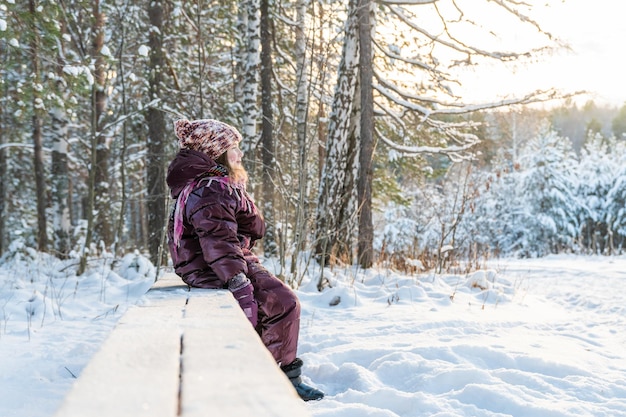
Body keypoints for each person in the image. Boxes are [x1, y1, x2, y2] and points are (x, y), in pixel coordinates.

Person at [166, 118, 324, 402]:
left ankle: (271, 374)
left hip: (216, 263)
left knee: (278, 303)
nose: (239, 154)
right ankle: (273, 380)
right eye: (234, 149)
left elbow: (239, 232)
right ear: (216, 153)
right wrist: (239, 283)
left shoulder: (213, 185)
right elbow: (219, 241)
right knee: (283, 303)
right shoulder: (211, 188)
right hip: (216, 268)